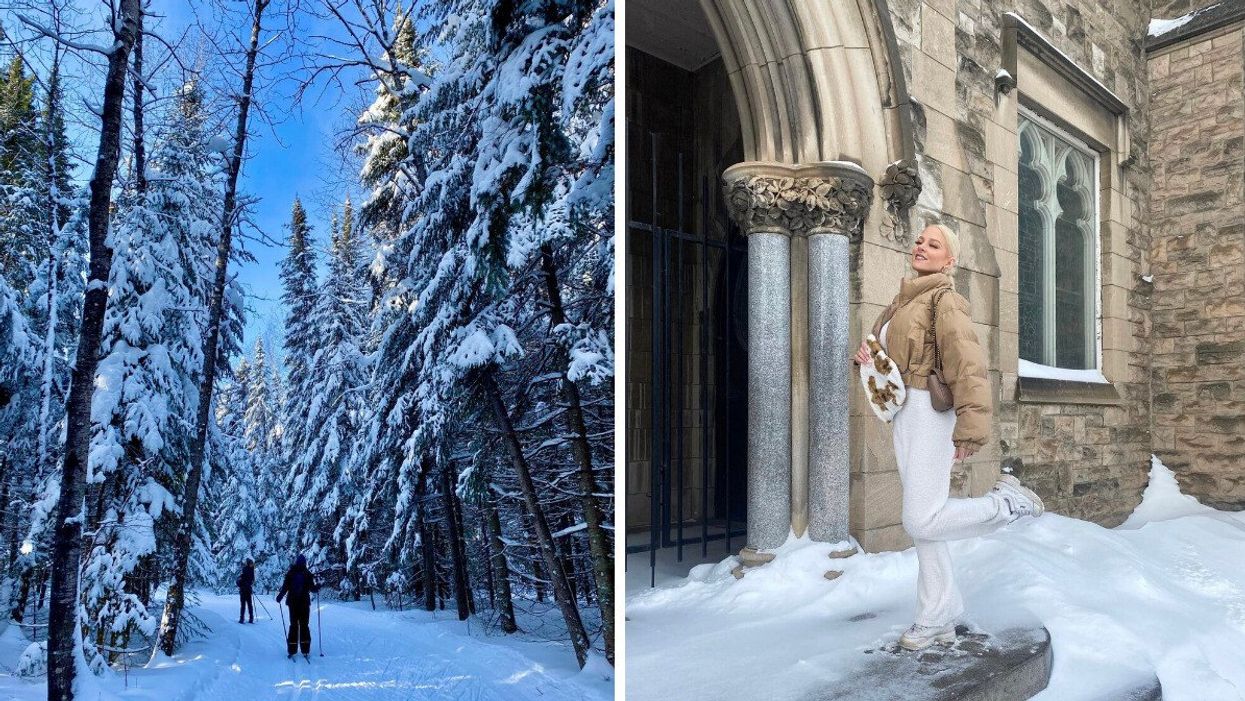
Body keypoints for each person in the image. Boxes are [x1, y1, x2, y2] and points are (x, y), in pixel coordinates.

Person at [853, 223, 1045, 652]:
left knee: (920, 519)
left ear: (949, 260)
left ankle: (1006, 504)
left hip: (929, 412)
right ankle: (937, 616)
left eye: (933, 244)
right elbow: (886, 356)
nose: (921, 246)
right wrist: (866, 355)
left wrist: (971, 426)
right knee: (926, 525)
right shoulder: (902, 300)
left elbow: (968, 366)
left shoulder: (945, 300)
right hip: (904, 412)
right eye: (920, 240)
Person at [276, 554, 319, 658]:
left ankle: (292, 650)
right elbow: (313, 589)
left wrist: (280, 597)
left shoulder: (290, 573)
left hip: (293, 604)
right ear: (304, 563)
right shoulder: (307, 574)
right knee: (304, 626)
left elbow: (285, 587)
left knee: (293, 626)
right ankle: (305, 650)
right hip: (304, 603)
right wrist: (318, 586)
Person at [237, 557, 256, 624]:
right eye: (251, 563)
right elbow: (249, 580)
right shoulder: (247, 570)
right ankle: (245, 618)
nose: (252, 565)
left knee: (247, 605)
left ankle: (248, 618)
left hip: (246, 590)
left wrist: (249, 584)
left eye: (252, 564)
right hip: (244, 590)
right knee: (245, 605)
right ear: (248, 564)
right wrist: (248, 584)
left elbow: (251, 580)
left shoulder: (250, 570)